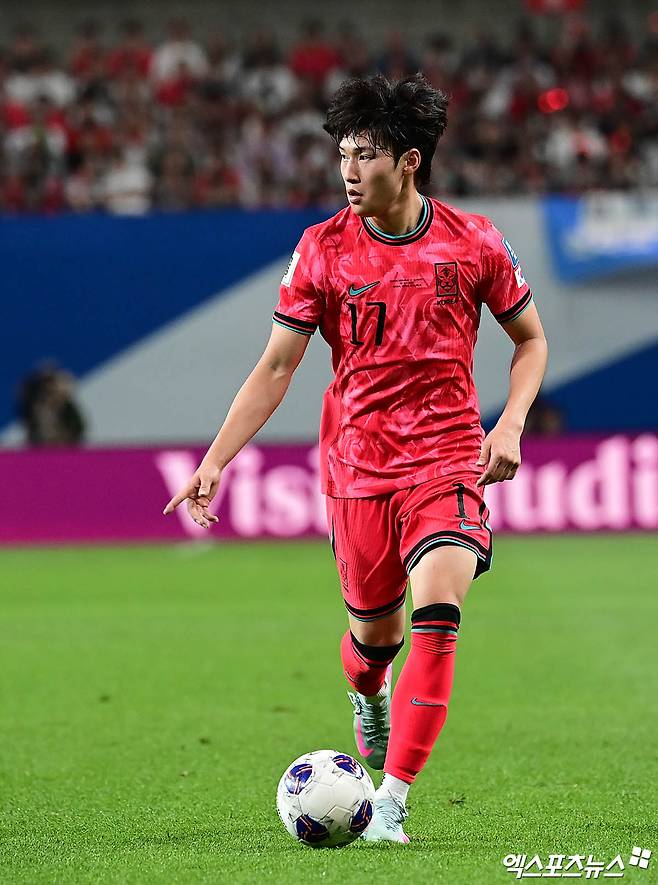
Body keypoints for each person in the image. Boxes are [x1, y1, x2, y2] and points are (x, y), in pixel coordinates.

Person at [163, 73, 548, 843]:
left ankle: (391, 803)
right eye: (342, 153)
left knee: (439, 613)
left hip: (447, 458)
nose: (347, 170)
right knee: (375, 644)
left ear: (408, 161)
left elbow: (530, 340)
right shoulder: (323, 249)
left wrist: (508, 425)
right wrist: (216, 459)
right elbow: (278, 367)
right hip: (357, 468)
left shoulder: (473, 241)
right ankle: (369, 694)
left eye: (364, 154)